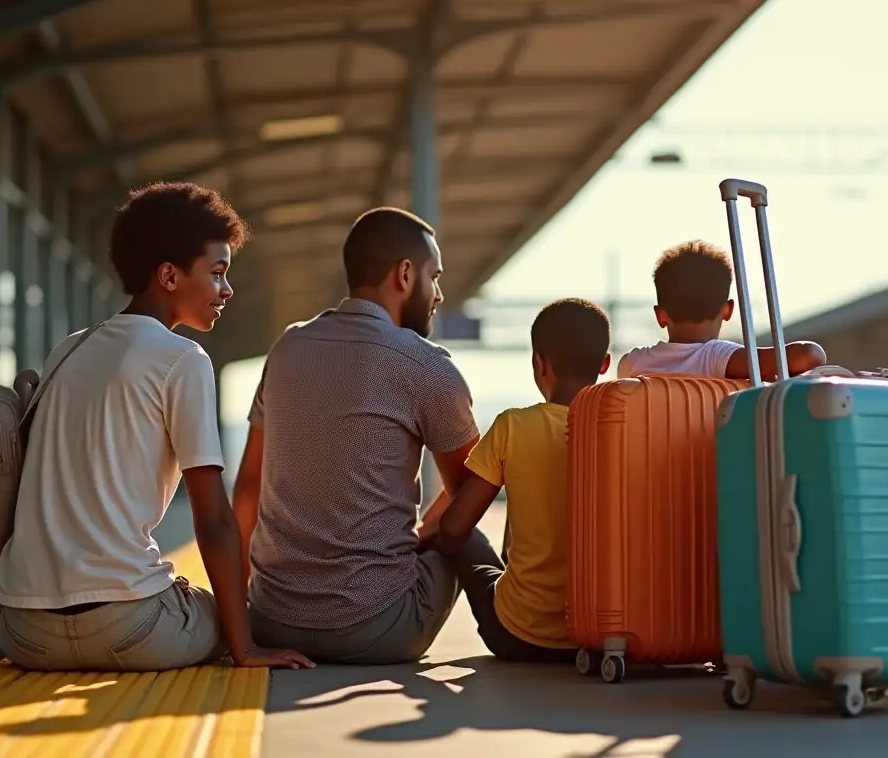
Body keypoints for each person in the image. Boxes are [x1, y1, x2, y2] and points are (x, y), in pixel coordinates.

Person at [0, 182, 313, 673]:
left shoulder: (69, 350)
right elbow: (213, 519)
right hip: (127, 631)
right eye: (218, 273)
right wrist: (244, 646)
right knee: (239, 617)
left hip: (24, 633)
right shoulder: (182, 359)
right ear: (168, 275)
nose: (227, 290)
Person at [234, 206, 480, 665]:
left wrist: (244, 613)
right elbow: (473, 485)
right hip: (377, 629)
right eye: (435, 277)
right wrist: (424, 535)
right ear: (404, 274)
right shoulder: (426, 365)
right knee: (466, 531)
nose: (439, 294)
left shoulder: (287, 349)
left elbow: (248, 486)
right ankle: (517, 638)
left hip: (271, 622)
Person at [419, 298, 612, 662]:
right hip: (598, 637)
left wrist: (434, 538)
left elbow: (456, 529)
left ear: (539, 363)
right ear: (604, 365)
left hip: (517, 635)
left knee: (464, 535)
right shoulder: (620, 430)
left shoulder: (513, 426)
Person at [616, 240, 827, 380]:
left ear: (660, 315)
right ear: (728, 310)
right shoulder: (716, 357)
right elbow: (809, 355)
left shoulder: (631, 364)